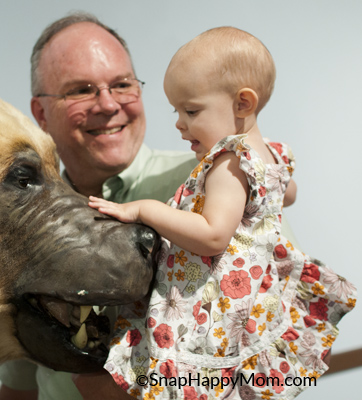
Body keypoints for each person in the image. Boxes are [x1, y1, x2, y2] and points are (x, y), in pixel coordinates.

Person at [0, 13, 297, 400]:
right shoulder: (23, 223)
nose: (108, 104)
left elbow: (269, 359)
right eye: (82, 89)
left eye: (122, 84)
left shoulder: (222, 183)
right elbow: (18, 381)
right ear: (41, 114)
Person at [88, 27, 356, 400]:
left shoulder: (229, 163)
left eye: (191, 110)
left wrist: (144, 209)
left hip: (214, 307)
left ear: (243, 104)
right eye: (177, 110)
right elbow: (286, 193)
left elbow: (213, 235)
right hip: (254, 303)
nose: (180, 123)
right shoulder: (272, 154)